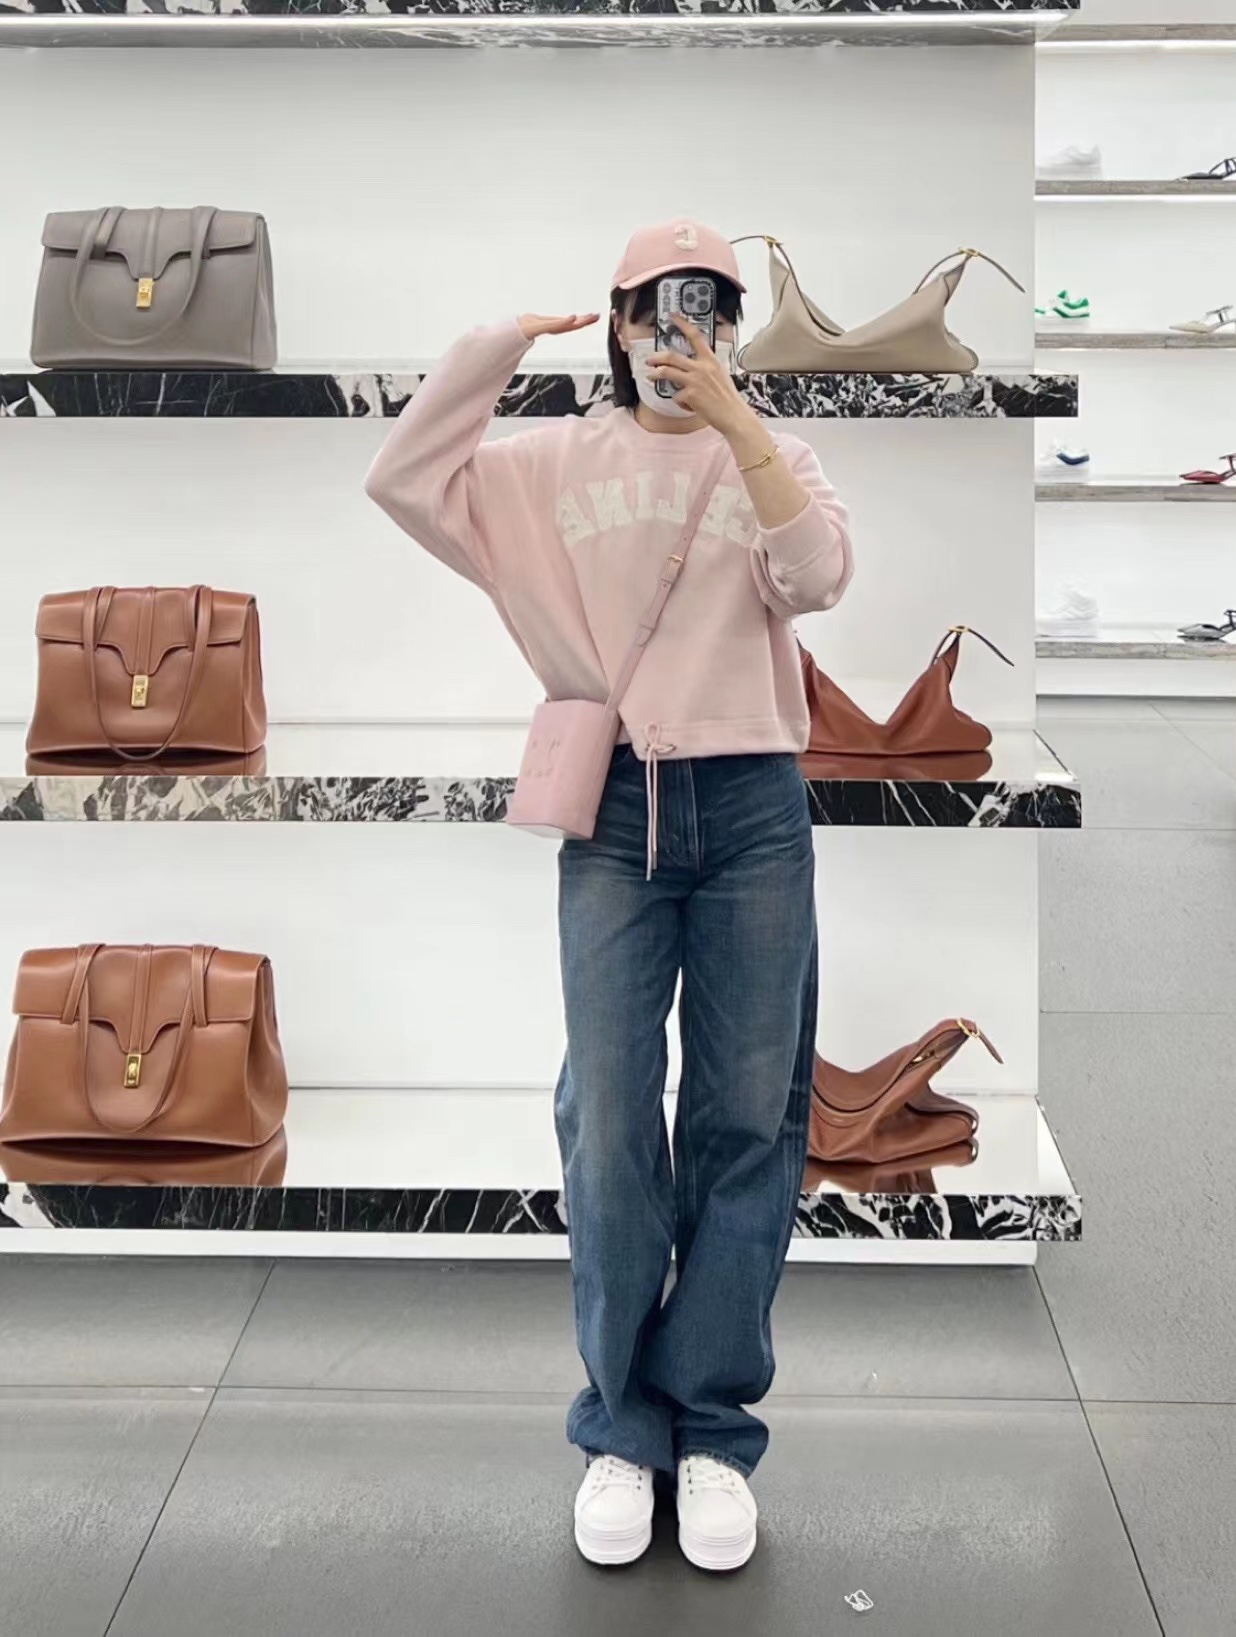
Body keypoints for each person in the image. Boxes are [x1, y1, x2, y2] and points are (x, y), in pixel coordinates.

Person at [365, 220, 852, 1573]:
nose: (677, 334)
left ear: (732, 330)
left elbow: (815, 578)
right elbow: (402, 478)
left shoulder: (777, 456)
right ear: (619, 320)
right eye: (652, 309)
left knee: (746, 1116)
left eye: (706, 312)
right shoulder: (548, 466)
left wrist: (740, 424)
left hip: (753, 804)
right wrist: (496, 348)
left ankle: (712, 1428)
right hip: (618, 804)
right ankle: (621, 1426)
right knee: (609, 1120)